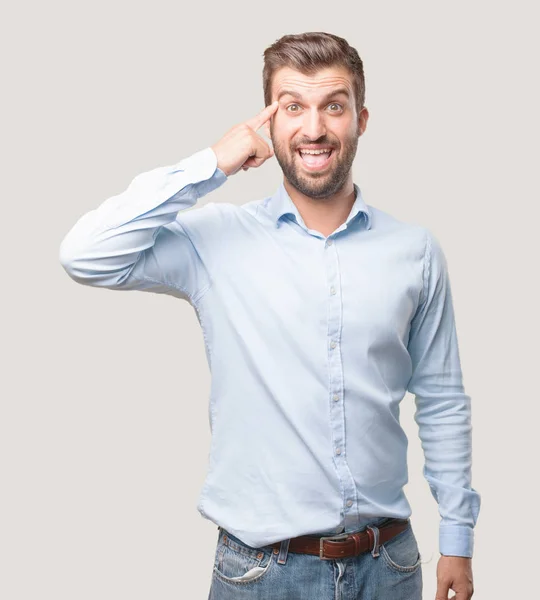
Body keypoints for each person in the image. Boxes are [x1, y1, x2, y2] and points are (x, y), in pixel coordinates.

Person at [59, 31, 480, 600]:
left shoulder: (416, 251)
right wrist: (213, 162)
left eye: (334, 105)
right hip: (261, 576)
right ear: (269, 123)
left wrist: (457, 537)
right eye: (292, 107)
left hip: (390, 567)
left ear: (361, 118)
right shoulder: (216, 241)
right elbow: (85, 254)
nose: (314, 129)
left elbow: (442, 397)